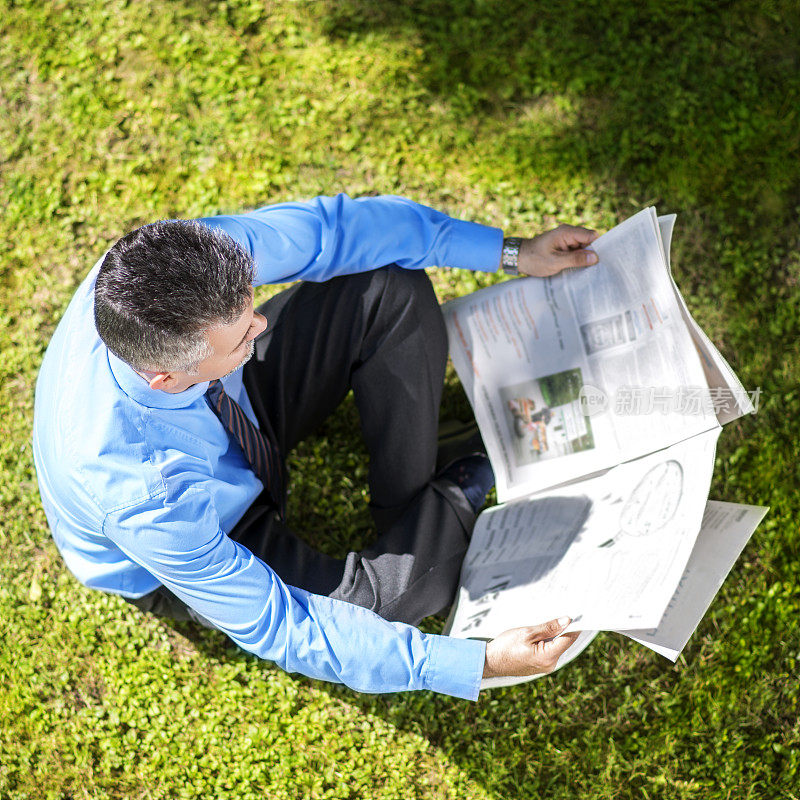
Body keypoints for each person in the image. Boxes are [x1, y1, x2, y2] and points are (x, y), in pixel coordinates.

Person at [33, 194, 598, 700]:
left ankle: (409, 499)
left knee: (388, 286)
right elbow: (285, 624)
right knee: (382, 606)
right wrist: (477, 664)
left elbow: (337, 230)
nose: (262, 326)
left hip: (231, 405)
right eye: (242, 335)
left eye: (253, 308)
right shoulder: (141, 496)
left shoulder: (177, 265)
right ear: (165, 376)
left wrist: (511, 251)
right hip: (201, 531)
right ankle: (458, 488)